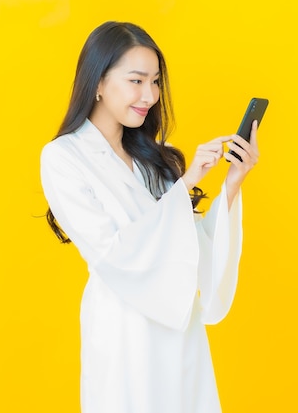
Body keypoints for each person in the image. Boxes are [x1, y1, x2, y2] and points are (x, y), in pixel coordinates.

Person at [40, 21, 259, 413]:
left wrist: (231, 183)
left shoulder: (156, 158)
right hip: (124, 334)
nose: (150, 95)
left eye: (155, 81)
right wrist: (186, 183)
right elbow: (112, 254)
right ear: (98, 83)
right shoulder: (63, 158)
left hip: (179, 330)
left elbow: (191, 251)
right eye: (136, 81)